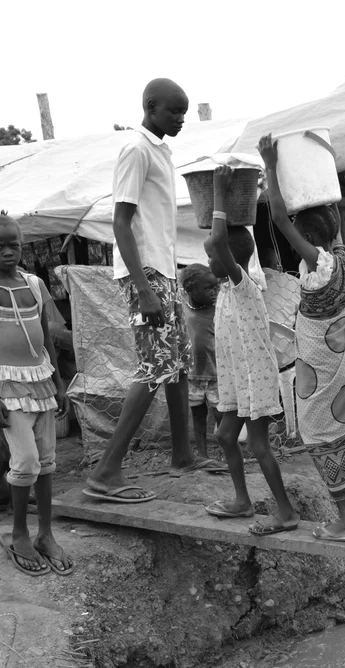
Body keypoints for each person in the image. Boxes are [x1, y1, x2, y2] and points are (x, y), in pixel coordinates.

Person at [85, 78, 222, 503]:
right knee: (155, 365)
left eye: (184, 113)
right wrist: (143, 288)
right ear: (150, 107)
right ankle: (106, 471)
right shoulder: (136, 149)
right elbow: (121, 223)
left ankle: (182, 455)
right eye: (174, 112)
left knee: (177, 362)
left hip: (162, 274)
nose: (181, 119)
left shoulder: (160, 151)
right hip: (143, 274)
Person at [259, 134, 345, 542]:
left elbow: (281, 219)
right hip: (342, 372)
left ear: (307, 239)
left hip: (321, 372)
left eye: (298, 231)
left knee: (323, 437)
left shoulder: (318, 263)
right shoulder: (342, 261)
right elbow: (318, 221)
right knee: (341, 436)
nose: (291, 232)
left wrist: (270, 165)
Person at [201, 166, 299, 535]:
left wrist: (219, 193)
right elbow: (219, 245)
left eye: (212, 256)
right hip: (238, 381)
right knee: (225, 437)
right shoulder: (226, 289)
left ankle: (286, 513)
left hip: (254, 380)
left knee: (259, 446)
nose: (209, 261)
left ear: (229, 259)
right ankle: (242, 502)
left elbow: (220, 242)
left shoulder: (244, 285)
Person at [0, 215, 71, 576]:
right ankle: (18, 533)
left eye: (13, 244)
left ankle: (45, 533)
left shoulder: (34, 284)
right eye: (0, 247)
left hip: (41, 382)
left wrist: (59, 383)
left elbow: (45, 338)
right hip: (6, 386)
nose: (8, 252)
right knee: (25, 460)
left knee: (46, 462)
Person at [179, 264, 220, 458]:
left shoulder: (218, 309)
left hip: (217, 375)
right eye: (208, 289)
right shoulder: (182, 308)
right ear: (190, 290)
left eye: (215, 287)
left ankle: (229, 453)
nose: (214, 292)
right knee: (198, 415)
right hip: (193, 375)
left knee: (222, 416)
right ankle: (202, 455)